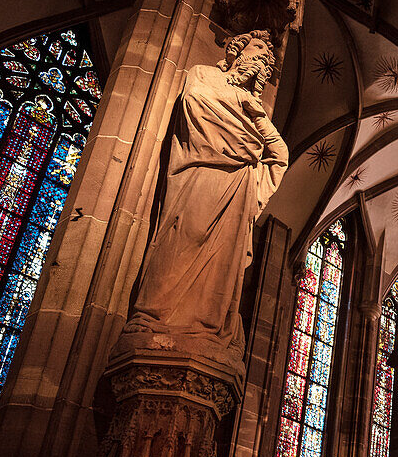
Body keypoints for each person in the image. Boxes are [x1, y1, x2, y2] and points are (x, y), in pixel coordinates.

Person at [121, 30, 288, 358]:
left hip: (238, 185)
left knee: (223, 259)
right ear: (236, 49)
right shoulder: (204, 74)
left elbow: (278, 153)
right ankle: (151, 314)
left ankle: (206, 327)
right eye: (256, 48)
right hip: (199, 171)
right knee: (183, 235)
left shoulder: (254, 105)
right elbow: (195, 105)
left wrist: (254, 114)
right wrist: (247, 132)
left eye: (266, 57)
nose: (260, 57)